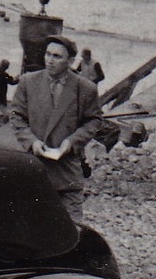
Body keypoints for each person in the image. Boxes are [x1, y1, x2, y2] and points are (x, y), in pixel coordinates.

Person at [11, 35, 104, 223]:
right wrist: (32, 142)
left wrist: (71, 142)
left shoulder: (85, 88)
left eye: (57, 56)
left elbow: (94, 120)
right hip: (35, 170)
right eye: (47, 54)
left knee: (72, 232)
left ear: (70, 61)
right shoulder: (28, 82)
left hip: (67, 173)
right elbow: (16, 117)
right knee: (34, 230)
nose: (49, 60)